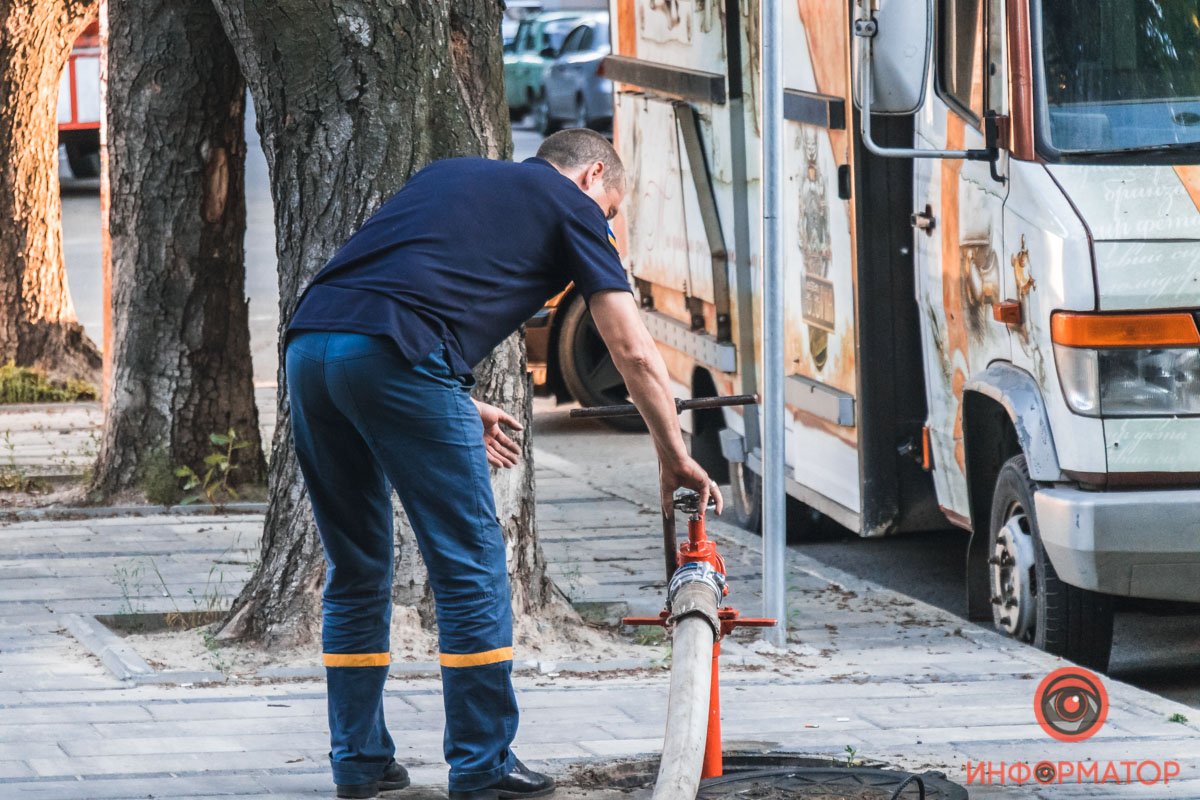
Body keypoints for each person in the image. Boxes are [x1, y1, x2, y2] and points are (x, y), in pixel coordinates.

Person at [285, 128, 722, 800]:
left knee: (357, 565)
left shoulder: (446, 172)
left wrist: (456, 399)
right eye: (611, 210)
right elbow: (632, 351)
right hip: (399, 360)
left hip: (312, 348)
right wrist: (673, 456)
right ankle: (483, 766)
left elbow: (406, 281)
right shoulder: (572, 204)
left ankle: (360, 763)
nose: (605, 225)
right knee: (472, 565)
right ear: (592, 174)